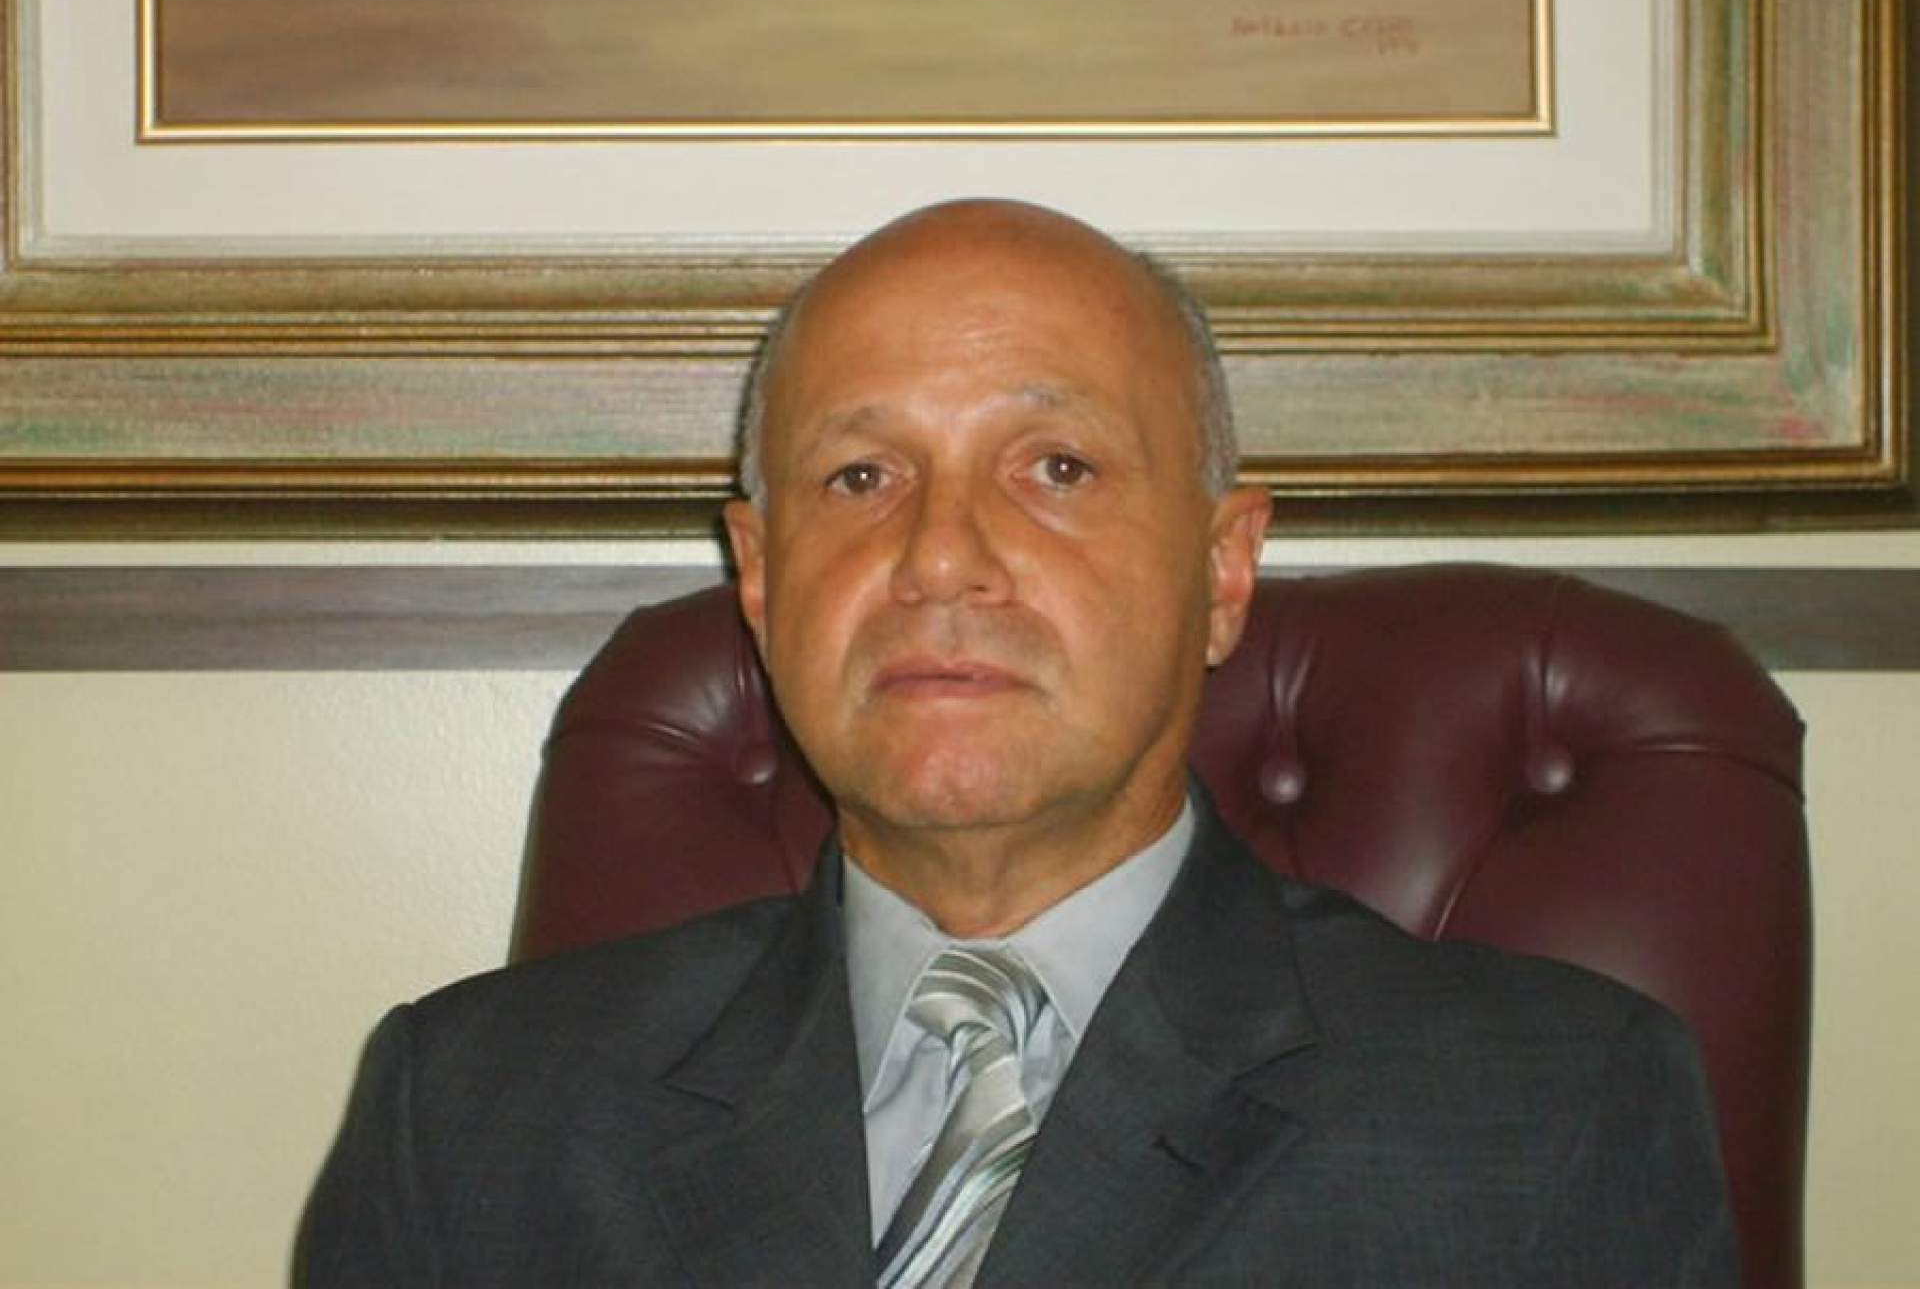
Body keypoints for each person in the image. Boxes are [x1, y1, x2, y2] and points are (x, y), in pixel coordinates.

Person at [300, 200, 1737, 1286]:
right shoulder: (470, 1112)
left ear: (1223, 572)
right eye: (860, 476)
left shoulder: (1552, 1110)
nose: (940, 555)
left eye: (1057, 468)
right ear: (760, 577)